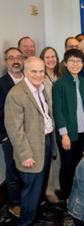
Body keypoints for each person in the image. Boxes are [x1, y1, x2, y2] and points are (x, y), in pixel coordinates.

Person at [4, 57, 57, 225]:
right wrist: (25, 154)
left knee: (40, 185)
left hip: (46, 142)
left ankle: (37, 215)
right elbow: (14, 129)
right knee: (31, 190)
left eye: (41, 71)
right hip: (30, 149)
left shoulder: (41, 88)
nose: (38, 75)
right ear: (25, 72)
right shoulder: (16, 94)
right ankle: (26, 222)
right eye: (34, 71)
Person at [52, 49, 84, 201]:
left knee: (82, 167)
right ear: (65, 63)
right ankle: (67, 197)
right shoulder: (59, 84)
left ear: (82, 64)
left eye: (78, 61)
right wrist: (64, 135)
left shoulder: (83, 82)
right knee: (68, 167)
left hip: (83, 133)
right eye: (72, 61)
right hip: (68, 135)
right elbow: (58, 111)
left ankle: (80, 195)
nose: (75, 64)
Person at [0, 47, 24, 218]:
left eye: (18, 57)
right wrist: (4, 135)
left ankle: (28, 200)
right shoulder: (1, 84)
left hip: (29, 135)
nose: (16, 60)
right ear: (6, 62)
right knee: (13, 171)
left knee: (28, 169)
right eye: (11, 58)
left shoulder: (29, 80)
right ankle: (15, 203)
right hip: (10, 135)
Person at [39, 46, 61, 204]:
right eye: (47, 57)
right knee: (51, 157)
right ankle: (49, 191)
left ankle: (57, 186)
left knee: (59, 155)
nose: (51, 59)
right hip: (47, 124)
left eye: (53, 56)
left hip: (61, 122)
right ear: (42, 59)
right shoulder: (40, 77)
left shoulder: (60, 75)